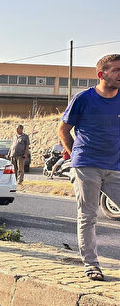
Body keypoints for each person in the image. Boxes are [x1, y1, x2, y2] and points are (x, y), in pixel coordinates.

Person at [58, 53, 120, 281]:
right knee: (88, 216)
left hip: (115, 166)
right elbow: (64, 129)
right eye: (116, 70)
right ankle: (91, 265)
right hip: (86, 165)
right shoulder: (83, 98)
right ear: (101, 74)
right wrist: (76, 154)